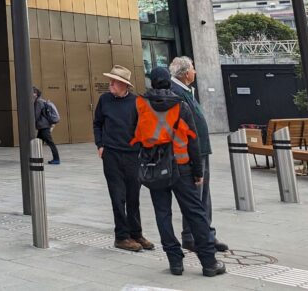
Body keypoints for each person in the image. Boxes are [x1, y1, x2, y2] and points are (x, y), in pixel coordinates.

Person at [134, 67, 225, 277]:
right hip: (181, 167)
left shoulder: (141, 105)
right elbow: (193, 140)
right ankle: (209, 262)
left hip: (155, 168)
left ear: (152, 82)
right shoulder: (180, 105)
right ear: (169, 81)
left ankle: (174, 261)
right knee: (195, 212)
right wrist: (198, 170)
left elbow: (135, 135)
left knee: (162, 214)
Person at [168, 56, 229, 253]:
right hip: (190, 153)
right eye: (193, 68)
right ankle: (193, 236)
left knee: (203, 195)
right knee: (195, 195)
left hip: (200, 150)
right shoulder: (176, 92)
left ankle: (206, 233)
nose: (195, 71)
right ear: (186, 73)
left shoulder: (186, 91)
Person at [93, 65, 153, 252]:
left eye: (115, 81)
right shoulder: (104, 100)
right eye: (110, 80)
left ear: (125, 85)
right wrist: (100, 144)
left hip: (132, 155)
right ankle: (121, 237)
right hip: (111, 154)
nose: (110, 84)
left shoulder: (137, 102)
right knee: (118, 197)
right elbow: (97, 123)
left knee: (133, 196)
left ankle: (136, 233)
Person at [32, 87, 61, 164]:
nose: (31, 94)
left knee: (50, 142)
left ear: (36, 94)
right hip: (42, 126)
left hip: (43, 126)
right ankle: (36, 158)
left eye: (33, 92)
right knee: (38, 143)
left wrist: (31, 124)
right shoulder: (40, 101)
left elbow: (36, 115)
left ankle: (56, 159)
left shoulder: (38, 102)